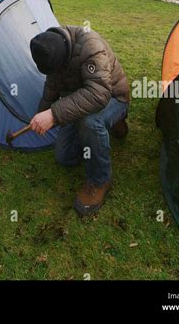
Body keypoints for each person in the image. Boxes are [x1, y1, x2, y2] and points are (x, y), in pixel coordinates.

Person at [29, 25, 130, 217]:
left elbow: (99, 94)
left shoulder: (91, 47)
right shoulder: (52, 48)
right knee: (64, 158)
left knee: (90, 123)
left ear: (64, 58)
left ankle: (100, 179)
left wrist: (53, 115)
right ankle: (98, 137)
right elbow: (52, 87)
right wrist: (41, 114)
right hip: (82, 102)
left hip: (113, 97)